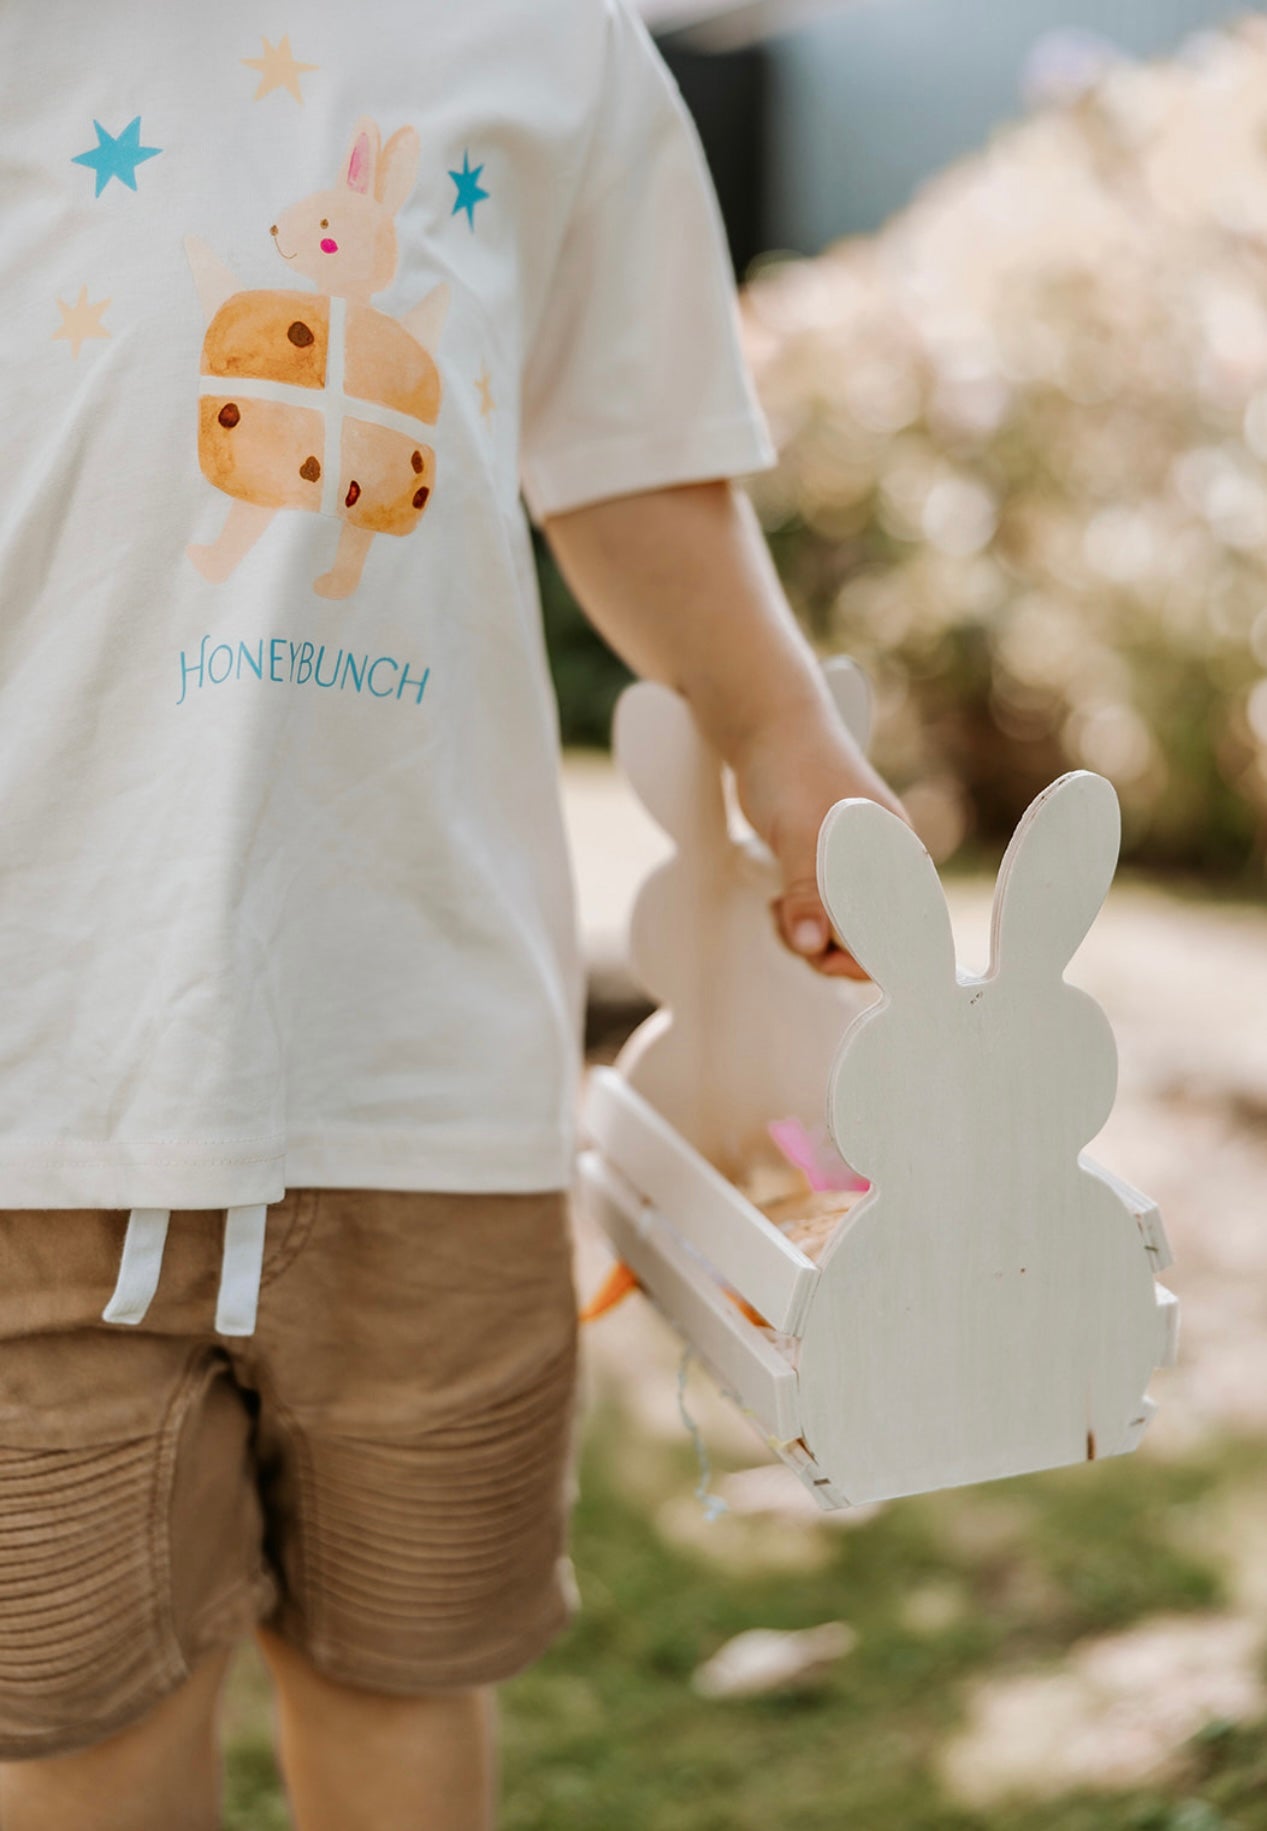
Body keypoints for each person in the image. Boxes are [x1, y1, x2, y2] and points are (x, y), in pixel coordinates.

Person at [0, 0, 904, 1824]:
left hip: (423, 1070)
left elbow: (634, 458)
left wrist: (787, 738)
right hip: (43, 1084)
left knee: (408, 1673)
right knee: (83, 1723)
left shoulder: (551, 46)